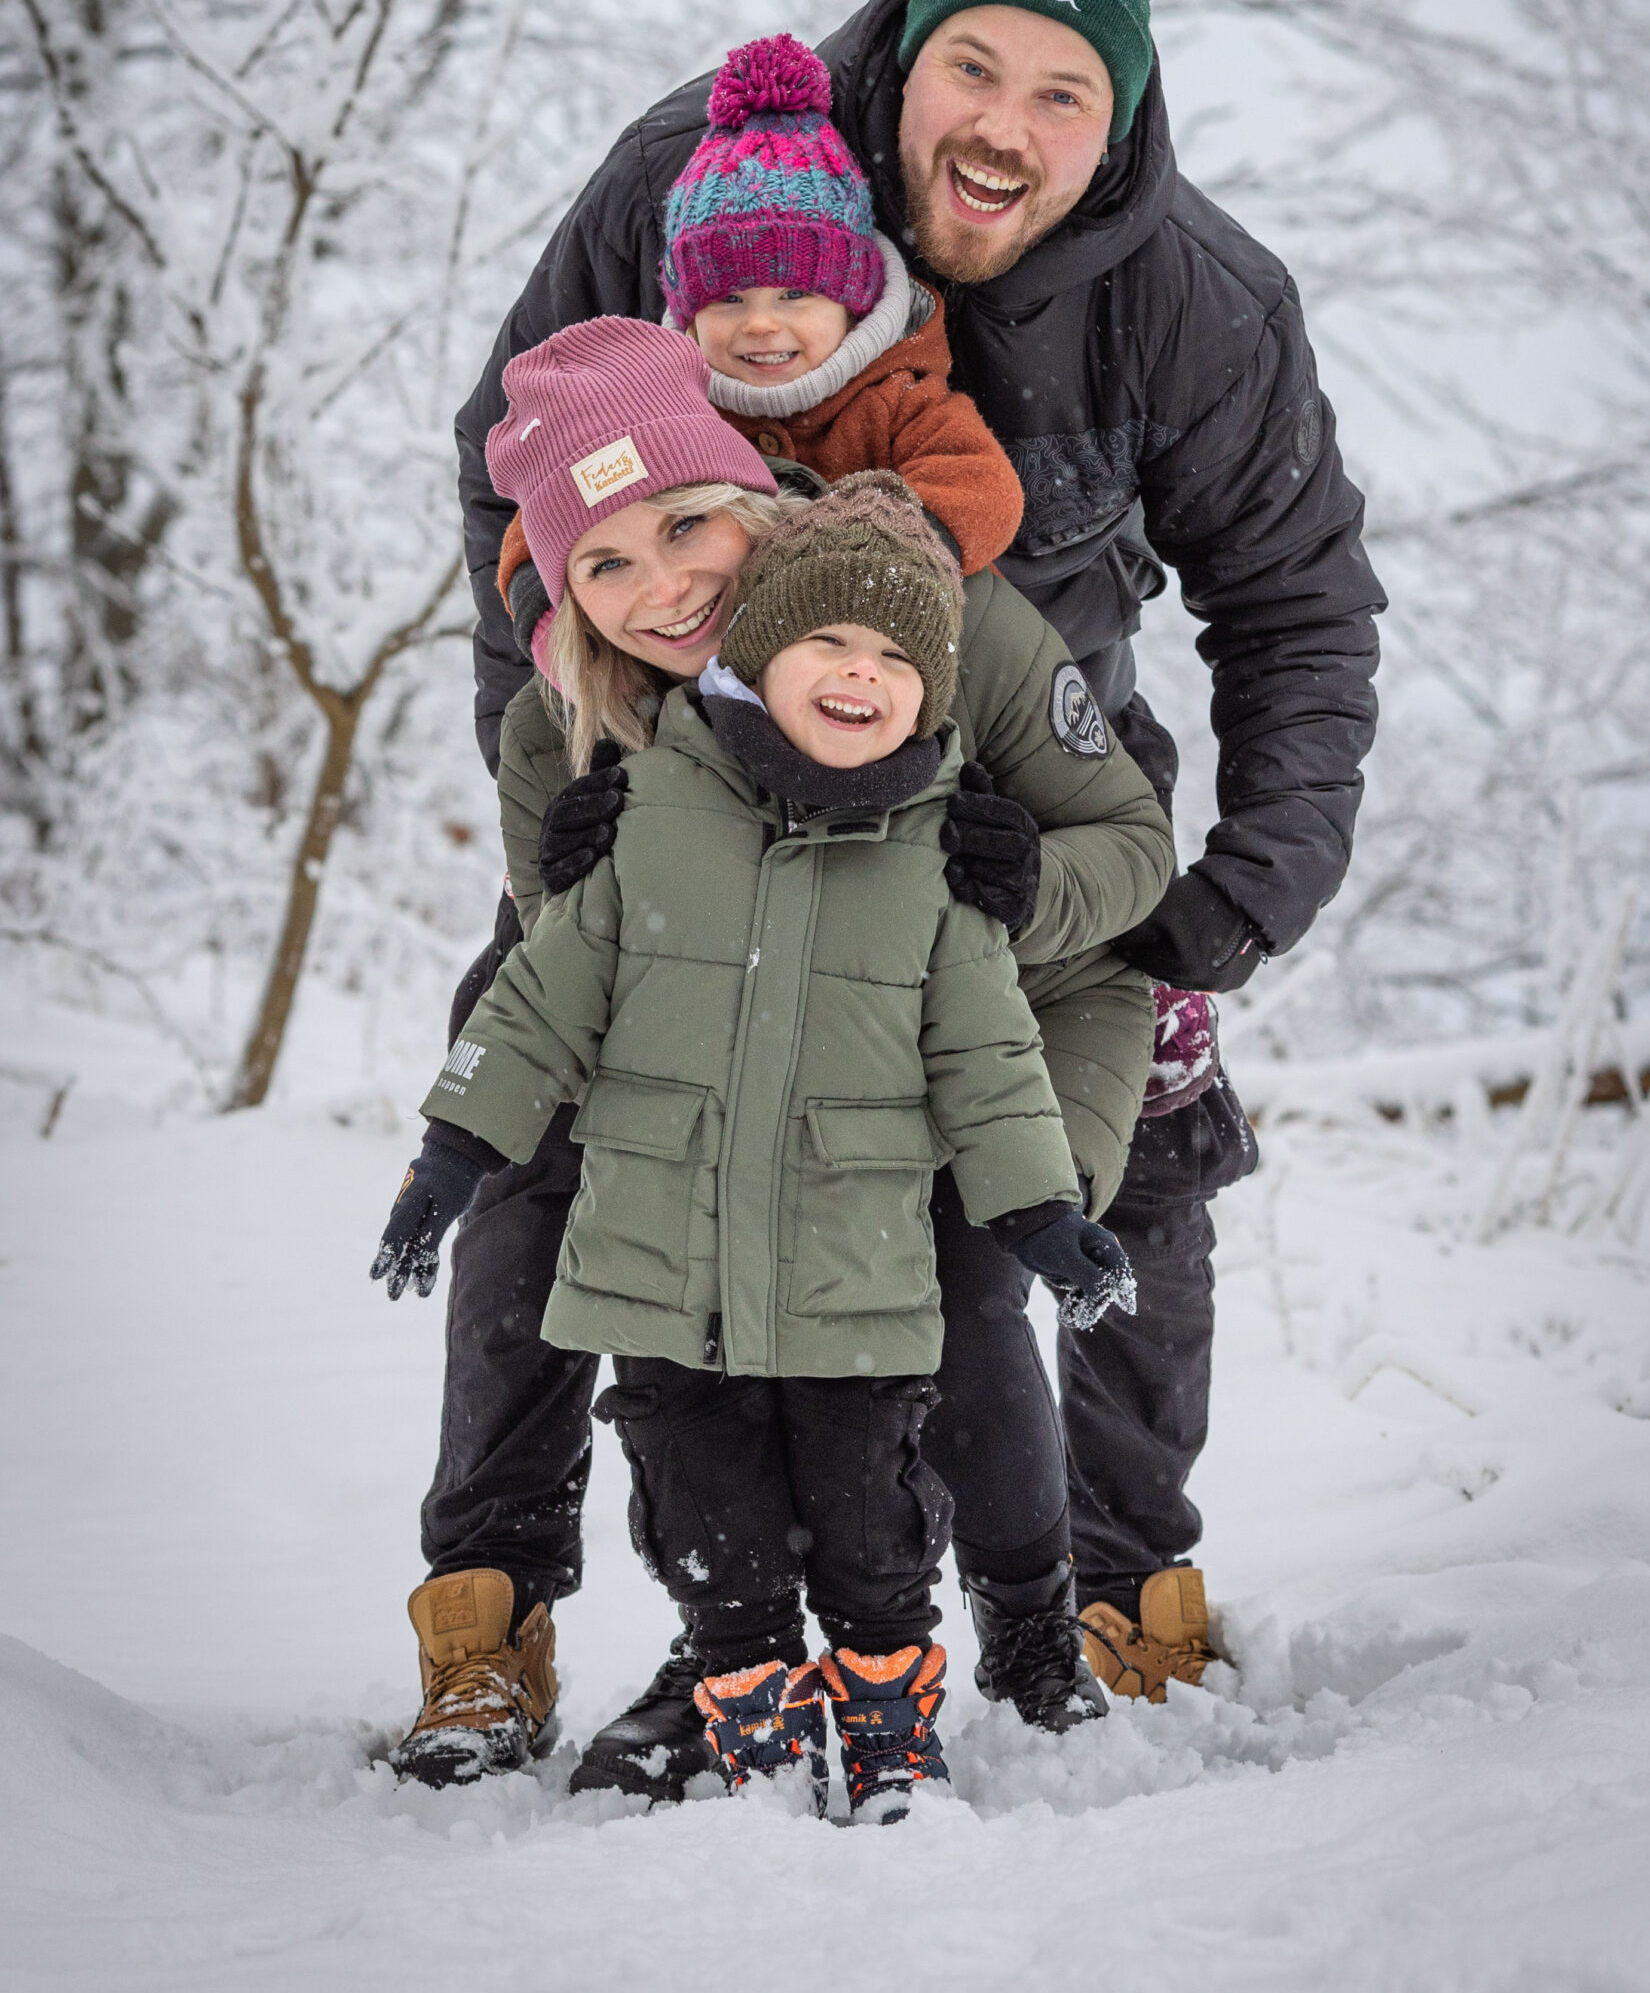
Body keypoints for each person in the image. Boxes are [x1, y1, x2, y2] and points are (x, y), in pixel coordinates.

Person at [451, 0, 1385, 1712]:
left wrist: (1251, 881)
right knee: (544, 1110)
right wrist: (562, 786)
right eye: (976, 66)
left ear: (1113, 127)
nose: (1005, 124)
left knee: (1131, 1156)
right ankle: (490, 1614)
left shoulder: (1195, 301)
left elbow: (1296, 606)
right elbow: (526, 490)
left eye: (1064, 95)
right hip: (683, 775)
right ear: (905, 69)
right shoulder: (689, 189)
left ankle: (1129, 1594)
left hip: (1026, 802)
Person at [385, 317, 1173, 1790]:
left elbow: (1130, 850)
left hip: (1015, 1011)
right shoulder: (568, 722)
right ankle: (693, 1637)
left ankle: (1017, 1622)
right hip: (742, 1033)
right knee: (637, 1262)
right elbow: (601, 974)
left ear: (747, 491)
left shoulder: (919, 605)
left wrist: (1019, 883)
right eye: (603, 564)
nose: (661, 586)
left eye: (685, 524)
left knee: (941, 1272)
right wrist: (567, 892)